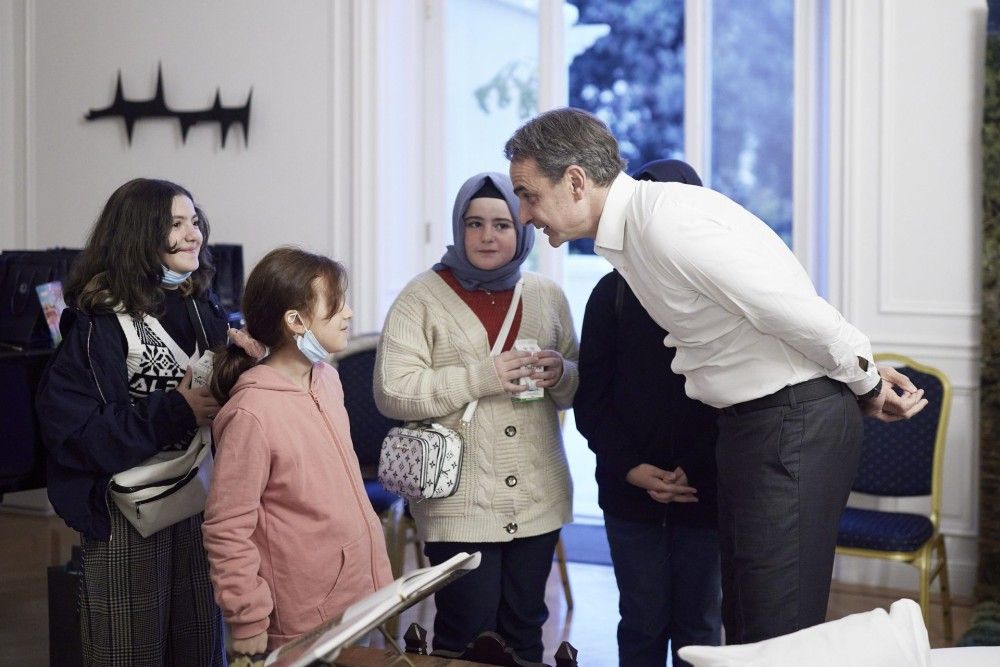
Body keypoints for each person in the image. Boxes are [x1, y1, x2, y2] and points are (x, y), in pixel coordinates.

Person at [504, 108, 928, 644]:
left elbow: (791, 308)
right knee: (748, 626)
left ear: (575, 181)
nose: (523, 214)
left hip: (790, 421)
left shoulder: (665, 223)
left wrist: (864, 379)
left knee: (778, 635)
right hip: (760, 424)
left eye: (528, 194)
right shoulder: (634, 236)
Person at [373, 172, 578, 662]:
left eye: (503, 225)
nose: (488, 236)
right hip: (457, 500)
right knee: (467, 630)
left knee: (527, 628)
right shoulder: (420, 297)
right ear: (458, 228)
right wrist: (479, 378)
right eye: (475, 223)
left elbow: (577, 386)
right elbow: (391, 391)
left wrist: (561, 372)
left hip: (536, 496)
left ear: (523, 230)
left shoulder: (547, 295)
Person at [35, 178, 227, 665]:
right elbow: (77, 436)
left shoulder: (198, 305)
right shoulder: (95, 323)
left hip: (198, 504)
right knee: (129, 650)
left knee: (199, 648)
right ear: (141, 235)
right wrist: (176, 411)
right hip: (126, 518)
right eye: (176, 224)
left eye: (195, 221)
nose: (194, 234)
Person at [202, 247, 393, 657]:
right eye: (337, 304)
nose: (349, 314)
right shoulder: (252, 412)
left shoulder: (326, 379)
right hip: (304, 619)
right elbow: (227, 527)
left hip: (358, 597)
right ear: (296, 321)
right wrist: (248, 616)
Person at [574, 159, 721, 666]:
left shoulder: (722, 295)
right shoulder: (608, 295)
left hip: (706, 493)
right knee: (640, 622)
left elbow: (739, 401)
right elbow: (590, 401)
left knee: (700, 628)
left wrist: (691, 471)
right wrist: (633, 469)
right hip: (627, 491)